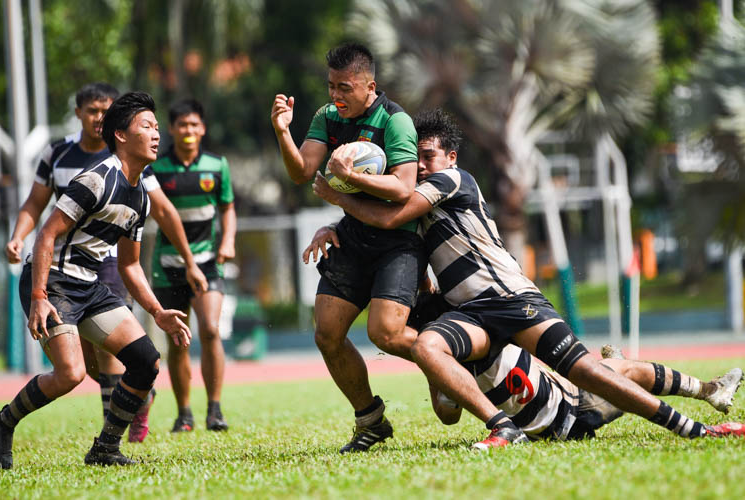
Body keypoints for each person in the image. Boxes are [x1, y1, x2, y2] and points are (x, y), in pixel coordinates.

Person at [308, 108, 745, 449]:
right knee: (428, 344)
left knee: (592, 372)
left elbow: (393, 215)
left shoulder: (451, 180)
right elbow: (386, 225)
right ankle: (502, 428)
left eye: (428, 156)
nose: (420, 166)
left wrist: (340, 190)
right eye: (415, 158)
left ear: (449, 158)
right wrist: (335, 228)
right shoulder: (417, 223)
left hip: (509, 297)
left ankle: (695, 424)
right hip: (473, 313)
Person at [0, 91, 192, 470]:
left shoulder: (142, 199)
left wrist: (158, 312)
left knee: (146, 362)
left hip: (89, 284)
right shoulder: (97, 179)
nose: (156, 135)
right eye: (146, 126)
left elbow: (130, 267)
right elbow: (47, 234)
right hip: (51, 281)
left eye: (156, 127)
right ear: (120, 134)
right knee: (71, 374)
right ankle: (2, 423)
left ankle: (105, 448)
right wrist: (38, 294)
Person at [271, 42, 425, 453]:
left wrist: (348, 179)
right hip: (354, 236)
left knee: (386, 334)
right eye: (331, 87)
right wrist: (283, 132)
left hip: (397, 242)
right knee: (328, 333)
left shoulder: (396, 122)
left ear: (369, 86)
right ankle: (370, 420)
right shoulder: (327, 116)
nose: (335, 96)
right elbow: (302, 171)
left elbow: (404, 187)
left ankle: (455, 363)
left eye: (345, 88)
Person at [427, 338, 743, 445]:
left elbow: (448, 415)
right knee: (628, 372)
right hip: (569, 410)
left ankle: (613, 366)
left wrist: (434, 369)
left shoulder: (448, 351)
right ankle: (711, 391)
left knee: (615, 371)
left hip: (548, 418)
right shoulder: (479, 322)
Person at [144, 98, 235, 432]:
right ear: (172, 129)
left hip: (208, 263)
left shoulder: (217, 165)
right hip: (167, 267)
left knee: (210, 330)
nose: (188, 131)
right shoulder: (156, 168)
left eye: (195, 125)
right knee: (178, 340)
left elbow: (227, 207)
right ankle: (184, 413)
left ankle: (215, 409)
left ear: (203, 129)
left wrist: (228, 240)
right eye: (182, 125)